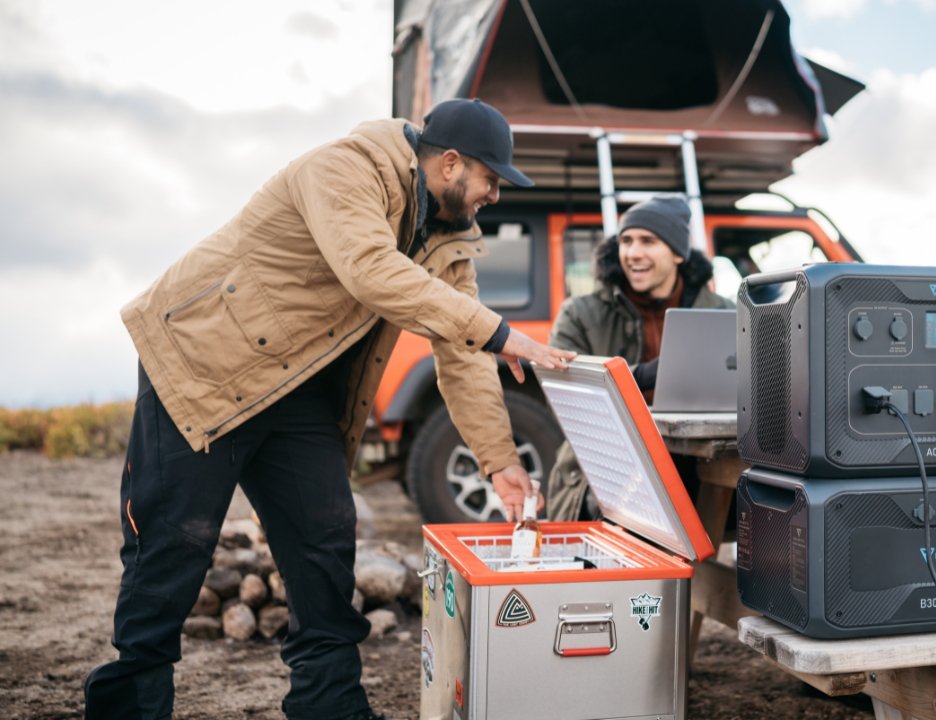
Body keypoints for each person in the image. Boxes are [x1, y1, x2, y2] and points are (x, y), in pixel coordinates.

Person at [83, 98, 575, 720]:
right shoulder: (344, 168)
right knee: (173, 545)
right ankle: (130, 707)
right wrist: (501, 332)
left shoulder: (450, 236)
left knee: (325, 540)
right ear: (451, 164)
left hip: (296, 386)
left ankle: (330, 705)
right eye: (491, 179)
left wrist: (499, 459)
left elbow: (462, 351)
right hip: (205, 365)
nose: (495, 196)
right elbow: (371, 270)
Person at [544, 195, 733, 521]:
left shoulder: (724, 313)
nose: (632, 253)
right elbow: (562, 397)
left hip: (700, 464)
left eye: (648, 241)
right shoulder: (579, 313)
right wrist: (642, 376)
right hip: (610, 467)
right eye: (626, 241)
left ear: (678, 253)